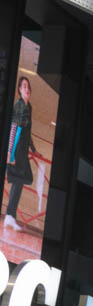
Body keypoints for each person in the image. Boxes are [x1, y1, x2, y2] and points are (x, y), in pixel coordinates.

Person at [6, 76, 33, 224]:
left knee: (21, 180)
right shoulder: (19, 105)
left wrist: (33, 150)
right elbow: (13, 128)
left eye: (28, 86)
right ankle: (10, 216)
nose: (26, 88)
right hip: (16, 150)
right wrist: (10, 152)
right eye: (23, 86)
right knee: (21, 179)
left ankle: (10, 216)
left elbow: (28, 133)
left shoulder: (29, 107)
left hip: (23, 151)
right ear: (19, 89)